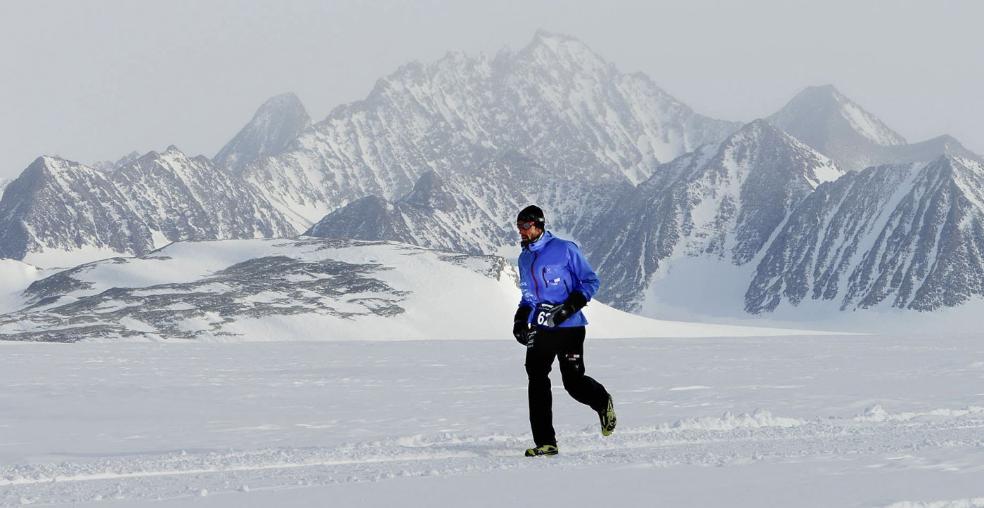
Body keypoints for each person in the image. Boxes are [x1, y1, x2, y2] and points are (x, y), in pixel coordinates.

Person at [512, 204, 616, 457]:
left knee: (573, 383)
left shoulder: (565, 249)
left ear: (539, 225)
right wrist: (520, 320)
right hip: (541, 327)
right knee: (536, 379)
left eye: (525, 226)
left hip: (570, 327)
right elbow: (528, 297)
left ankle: (602, 401)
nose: (521, 232)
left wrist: (567, 309)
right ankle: (546, 443)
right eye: (518, 227)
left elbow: (591, 281)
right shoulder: (524, 258)